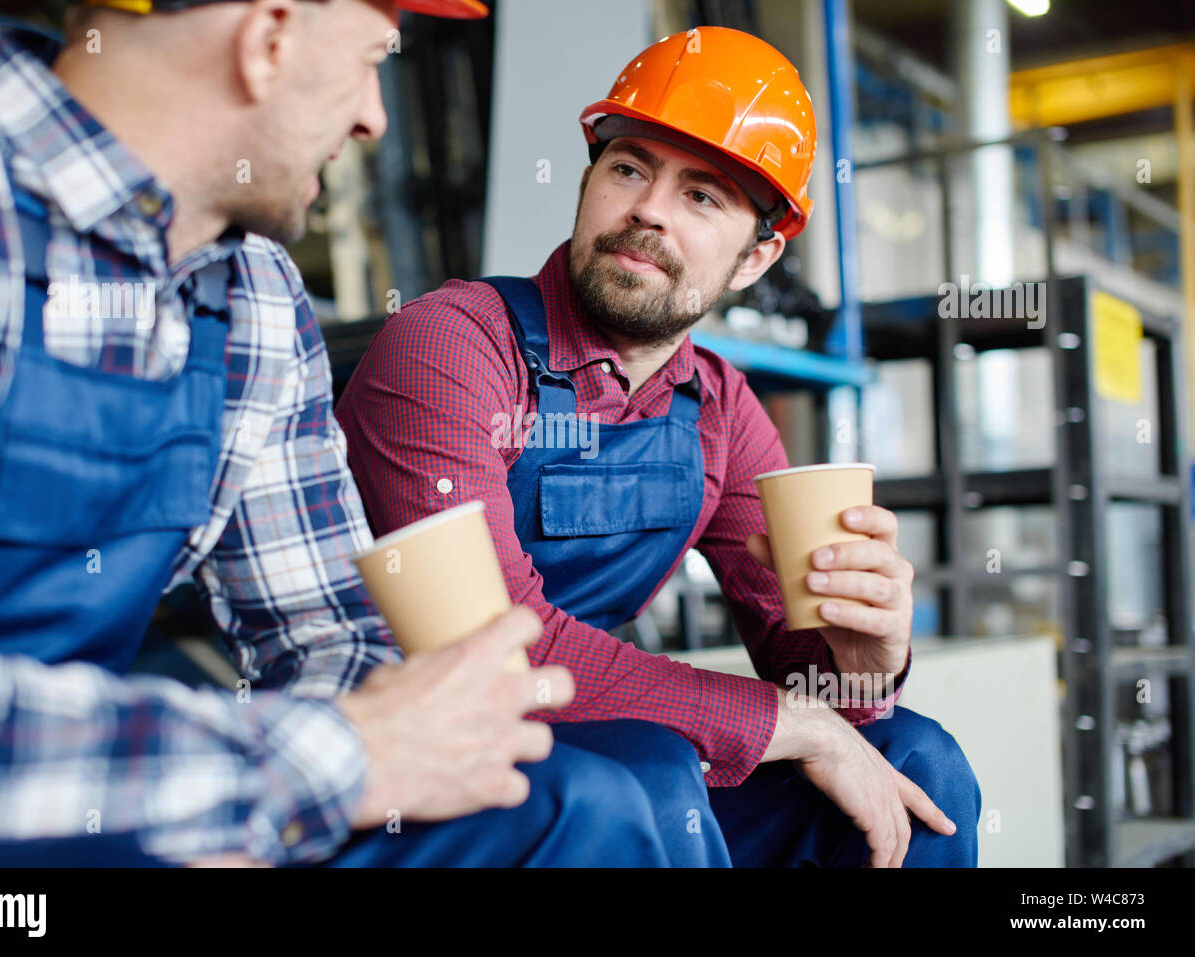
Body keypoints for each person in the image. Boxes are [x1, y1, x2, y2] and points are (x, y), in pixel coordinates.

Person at [0, 0, 672, 868]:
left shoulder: (254, 293)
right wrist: (319, 764)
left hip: (121, 796)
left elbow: (326, 629)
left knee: (578, 809)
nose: (374, 115)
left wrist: (280, 796)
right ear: (268, 37)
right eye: (372, 56)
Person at [336, 26, 982, 867]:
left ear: (757, 259)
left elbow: (814, 681)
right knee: (654, 770)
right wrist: (790, 723)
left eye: (703, 195)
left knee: (915, 758)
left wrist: (858, 664)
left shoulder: (719, 405)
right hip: (416, 755)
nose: (647, 208)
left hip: (594, 747)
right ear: (591, 178)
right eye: (630, 167)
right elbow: (492, 647)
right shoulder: (450, 347)